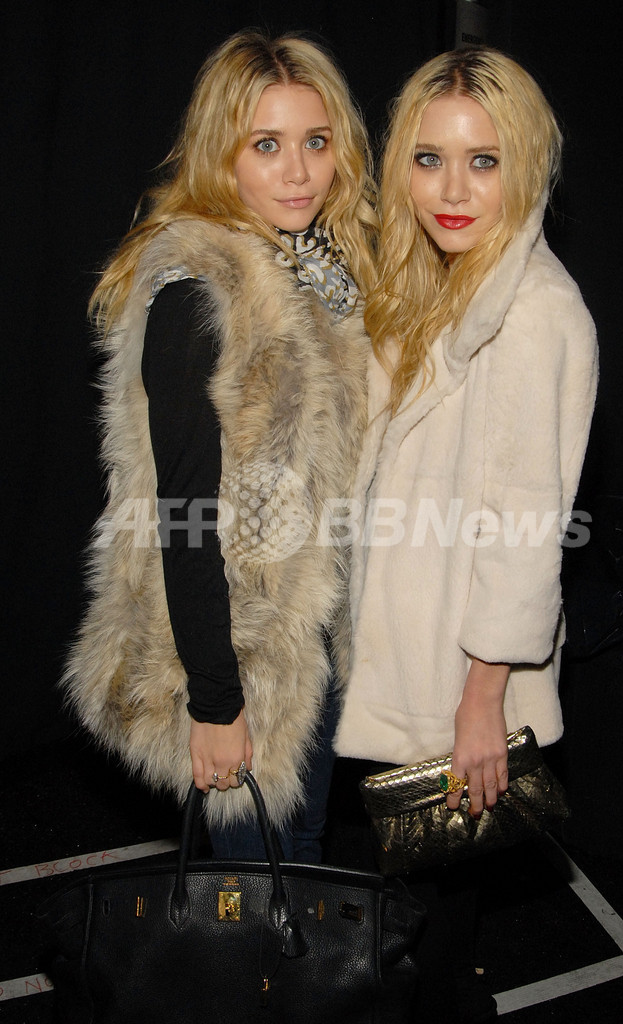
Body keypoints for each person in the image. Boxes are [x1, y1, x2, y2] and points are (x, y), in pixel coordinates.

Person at [63, 30, 376, 863]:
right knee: (261, 893)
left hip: (313, 640)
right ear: (220, 153)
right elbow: (184, 518)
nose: (299, 171)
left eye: (316, 142)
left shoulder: (319, 270)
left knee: (296, 859)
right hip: (238, 661)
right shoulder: (198, 291)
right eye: (266, 145)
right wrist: (214, 703)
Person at [333, 46, 598, 1021]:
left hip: (455, 676)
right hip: (410, 651)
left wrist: (482, 699)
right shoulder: (437, 284)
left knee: (434, 920)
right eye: (429, 158)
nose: (452, 190)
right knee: (411, 901)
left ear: (524, 166)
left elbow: (527, 528)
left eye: (483, 161)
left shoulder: (533, 315)